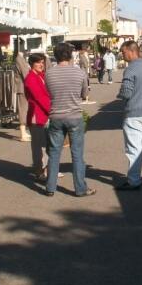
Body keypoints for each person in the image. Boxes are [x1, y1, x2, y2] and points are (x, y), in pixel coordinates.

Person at [44, 43, 95, 197]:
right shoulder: (79, 73)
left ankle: (50, 187)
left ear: (56, 55)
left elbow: (49, 93)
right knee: (77, 154)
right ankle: (80, 188)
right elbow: (85, 93)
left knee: (54, 153)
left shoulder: (49, 74)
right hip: (74, 115)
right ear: (70, 55)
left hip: (56, 116)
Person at [116, 41, 142, 190]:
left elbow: (126, 92)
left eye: (123, 52)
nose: (122, 55)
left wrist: (119, 94)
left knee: (134, 149)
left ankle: (134, 180)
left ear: (131, 51)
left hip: (133, 114)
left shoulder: (130, 70)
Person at [24, 53, 51, 181]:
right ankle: (39, 171)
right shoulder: (30, 78)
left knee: (46, 145)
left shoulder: (41, 76)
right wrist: (52, 110)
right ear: (32, 64)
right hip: (36, 115)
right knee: (38, 146)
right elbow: (40, 97)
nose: (41, 64)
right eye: (38, 62)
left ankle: (47, 169)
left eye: (42, 62)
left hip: (44, 114)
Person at [14, 39, 31, 142]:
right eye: (23, 44)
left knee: (25, 108)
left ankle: (24, 131)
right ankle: (23, 133)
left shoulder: (21, 57)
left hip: (23, 86)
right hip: (22, 87)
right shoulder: (19, 58)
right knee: (23, 109)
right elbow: (25, 74)